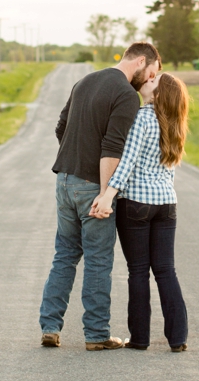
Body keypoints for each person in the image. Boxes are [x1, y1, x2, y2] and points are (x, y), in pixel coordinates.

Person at [39, 41, 161, 350]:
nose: (150, 80)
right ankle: (96, 334)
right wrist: (106, 194)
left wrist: (76, 157)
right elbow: (111, 150)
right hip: (93, 185)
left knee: (65, 254)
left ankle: (50, 326)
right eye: (152, 73)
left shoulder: (86, 80)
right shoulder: (125, 95)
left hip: (64, 180)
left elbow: (61, 128)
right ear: (142, 62)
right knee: (98, 259)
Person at [90, 73, 190, 352]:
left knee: (138, 271)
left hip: (136, 203)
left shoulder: (143, 118)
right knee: (166, 270)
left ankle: (141, 339)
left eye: (154, 80)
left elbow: (127, 162)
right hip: (166, 204)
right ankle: (178, 337)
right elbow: (169, 172)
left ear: (158, 94)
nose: (148, 79)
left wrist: (108, 194)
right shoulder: (175, 123)